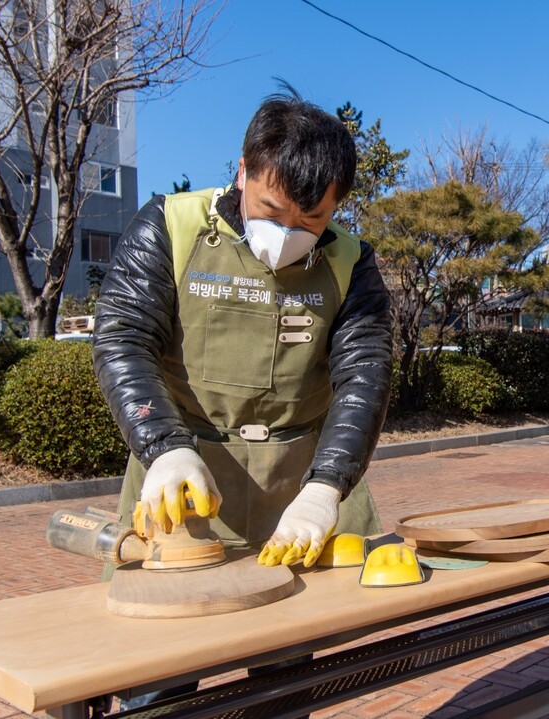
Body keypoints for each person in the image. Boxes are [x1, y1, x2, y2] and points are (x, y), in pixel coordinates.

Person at [93, 87, 392, 572]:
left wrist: (326, 485)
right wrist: (163, 447)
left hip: (304, 488)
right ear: (242, 172)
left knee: (325, 612)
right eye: (272, 210)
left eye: (312, 218)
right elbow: (122, 339)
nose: (288, 232)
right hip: (185, 479)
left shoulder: (351, 262)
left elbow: (365, 375)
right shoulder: (170, 226)